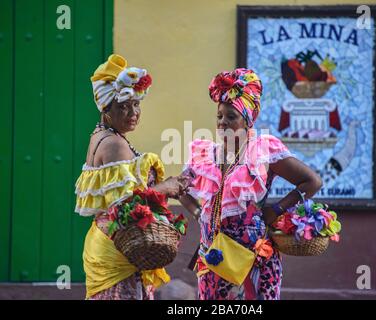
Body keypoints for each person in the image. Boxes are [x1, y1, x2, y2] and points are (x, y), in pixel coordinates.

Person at [179, 68, 322, 300]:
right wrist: (198, 214)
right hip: (214, 256)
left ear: (247, 120)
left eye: (231, 116)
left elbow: (311, 181)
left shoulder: (263, 152)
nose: (223, 122)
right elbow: (181, 188)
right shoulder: (206, 155)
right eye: (219, 116)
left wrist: (276, 209)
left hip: (255, 259)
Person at [74, 54, 188, 300]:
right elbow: (126, 208)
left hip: (106, 244)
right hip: (118, 249)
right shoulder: (114, 144)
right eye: (123, 106)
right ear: (105, 108)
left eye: (136, 104)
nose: (133, 112)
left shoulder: (102, 135)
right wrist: (166, 188)